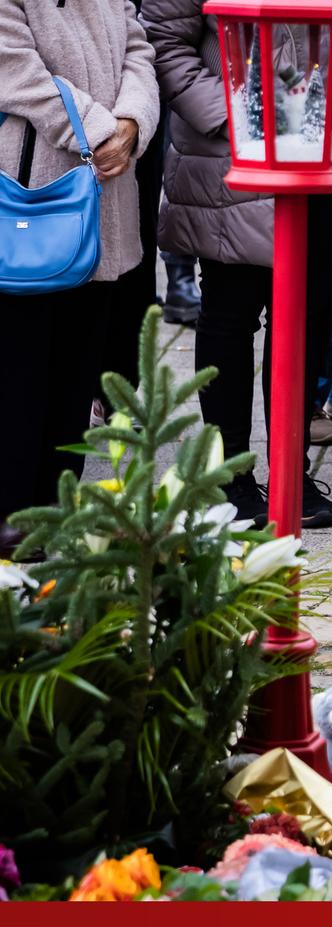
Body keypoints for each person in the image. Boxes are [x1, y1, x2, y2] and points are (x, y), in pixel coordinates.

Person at [146, 1, 332, 529]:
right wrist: (240, 115)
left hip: (326, 154)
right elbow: (166, 44)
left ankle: (292, 471)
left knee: (307, 320)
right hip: (237, 158)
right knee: (230, 317)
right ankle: (228, 477)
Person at [0, 0, 159, 559]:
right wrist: (100, 130)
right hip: (32, 200)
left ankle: (49, 527)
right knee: (17, 382)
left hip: (103, 205)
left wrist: (133, 123)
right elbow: (13, 68)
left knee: (73, 383)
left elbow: (140, 48)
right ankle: (11, 531)